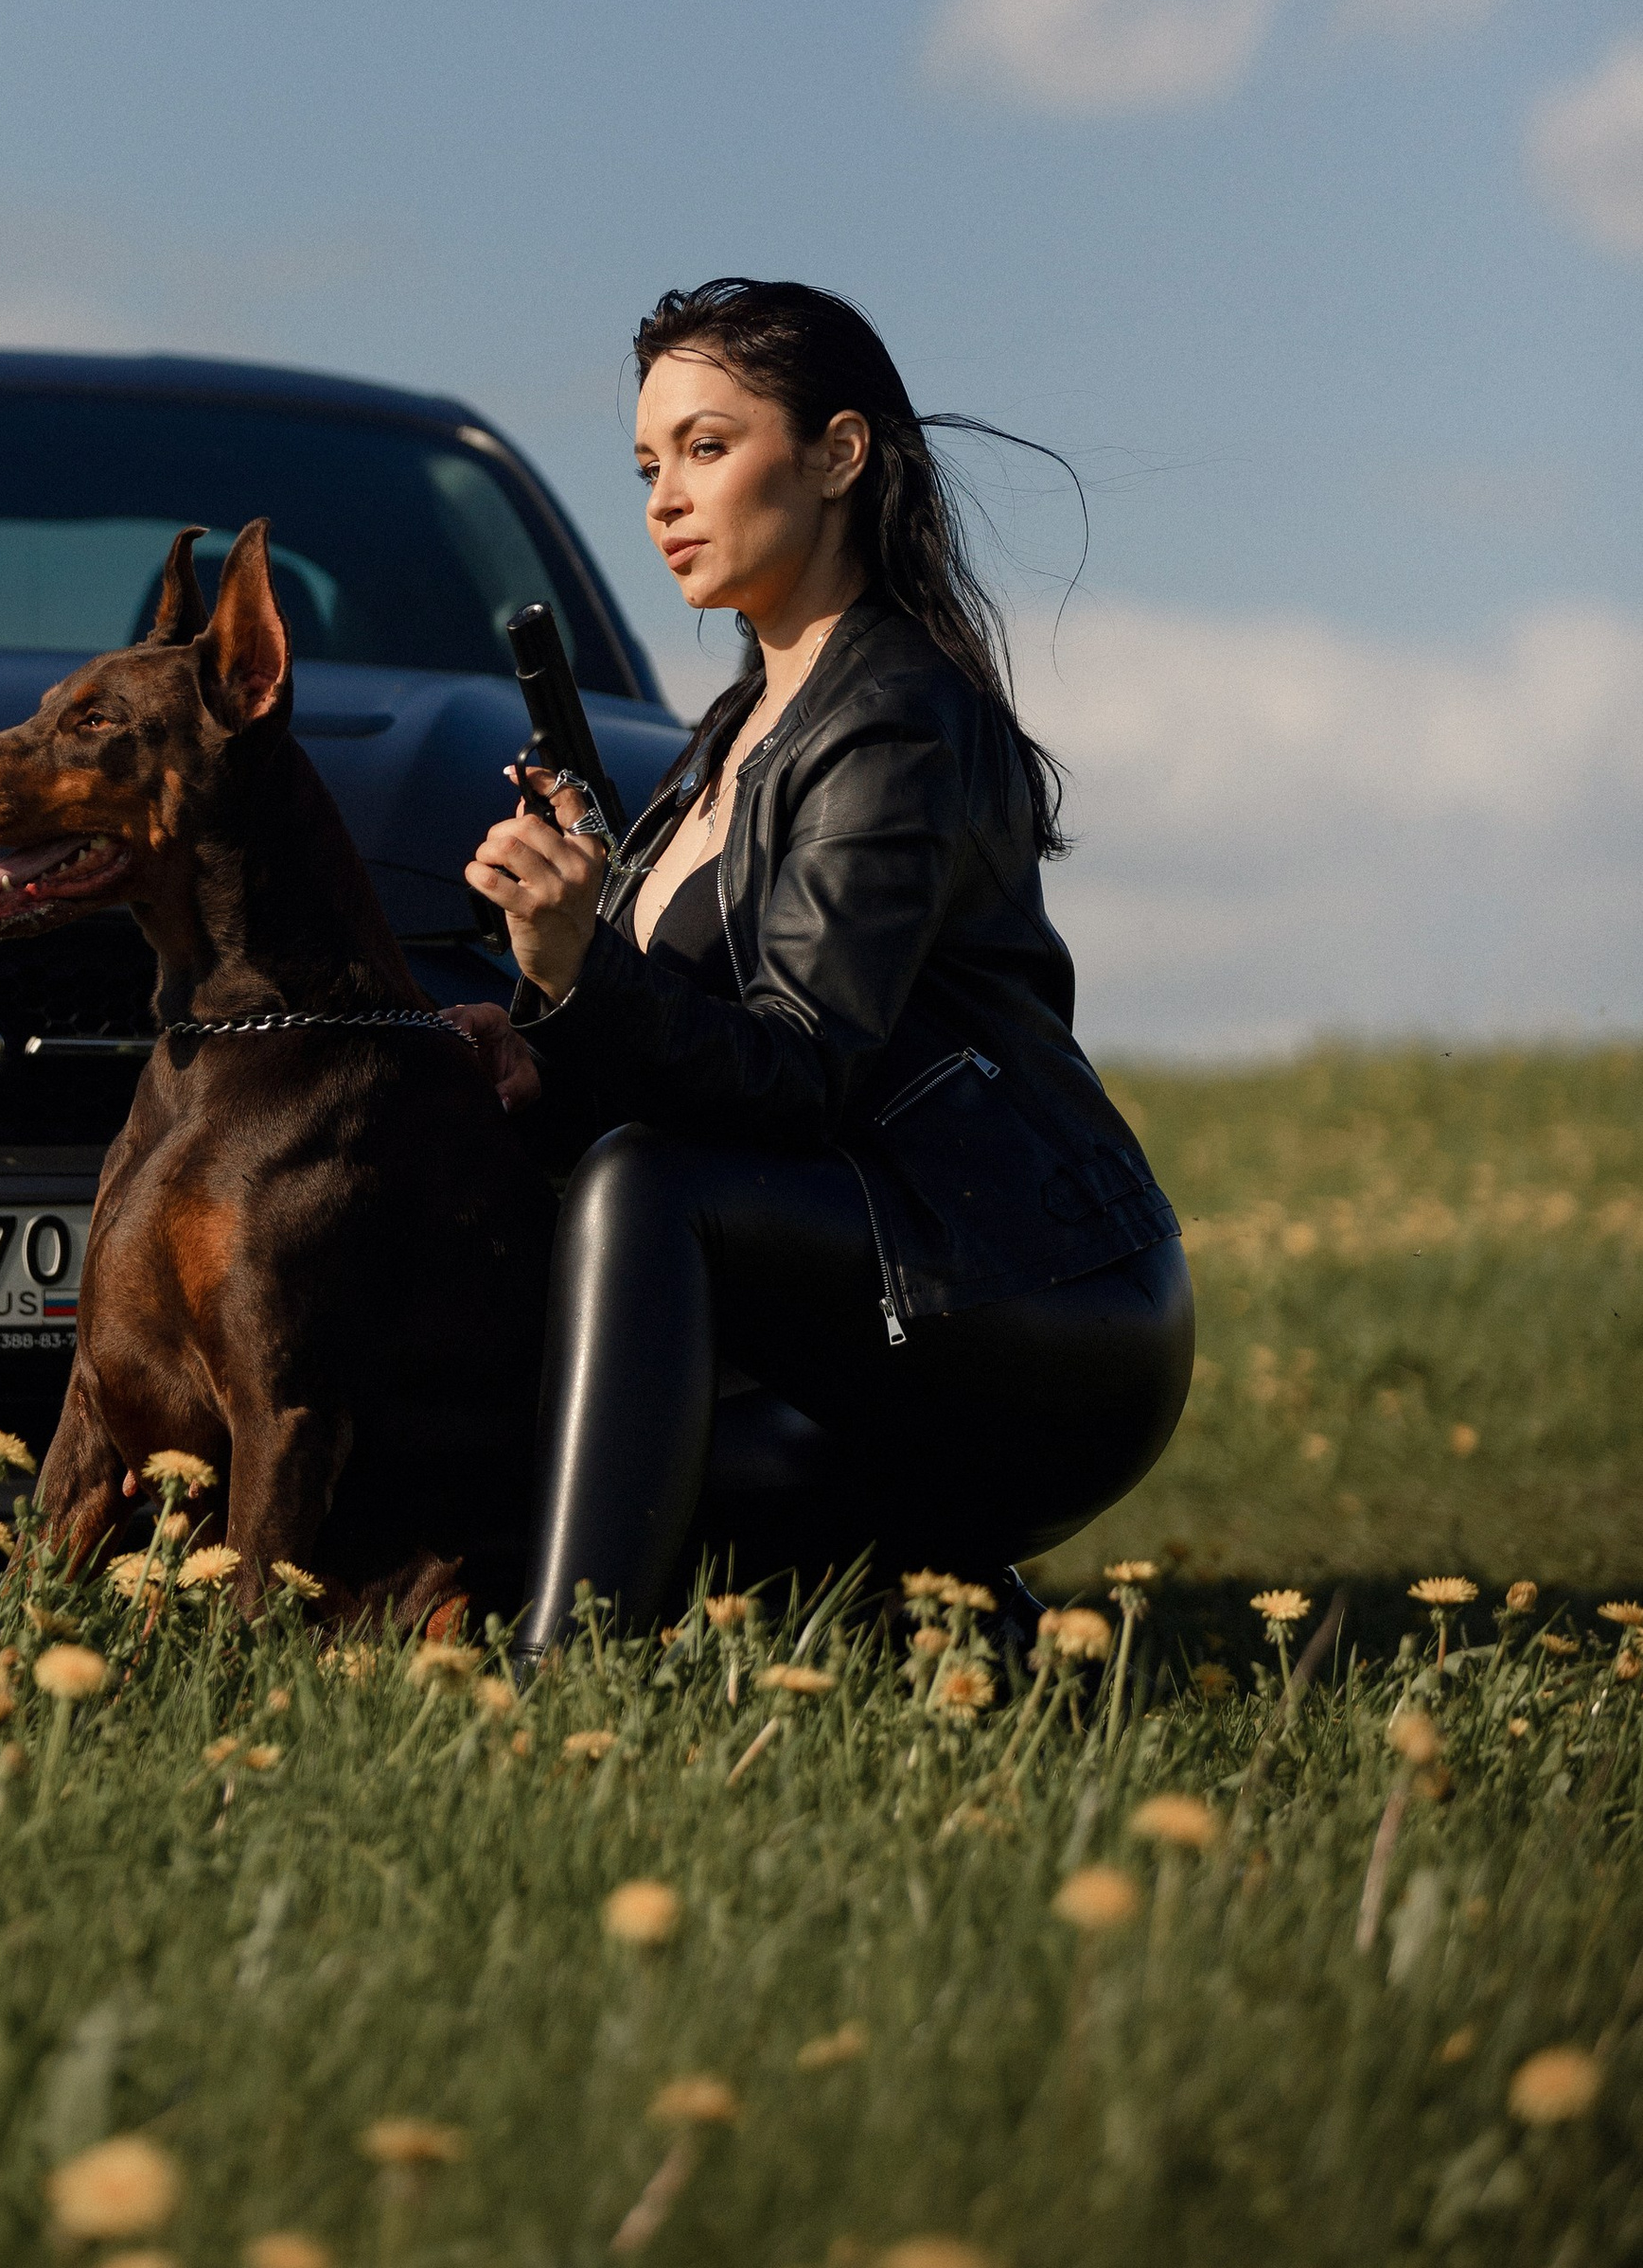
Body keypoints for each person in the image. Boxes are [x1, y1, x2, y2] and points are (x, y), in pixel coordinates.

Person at [452, 276, 1190, 1657]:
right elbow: (679, 1052)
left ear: (841, 455)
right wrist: (534, 1025)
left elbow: (796, 1073)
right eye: (647, 464)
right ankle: (958, 1617)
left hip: (1026, 1287)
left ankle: (564, 1682)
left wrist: (587, 967)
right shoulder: (732, 732)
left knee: (642, 1186)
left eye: (708, 447)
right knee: (564, 1442)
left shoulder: (898, 714)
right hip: (869, 1281)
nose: (666, 497)